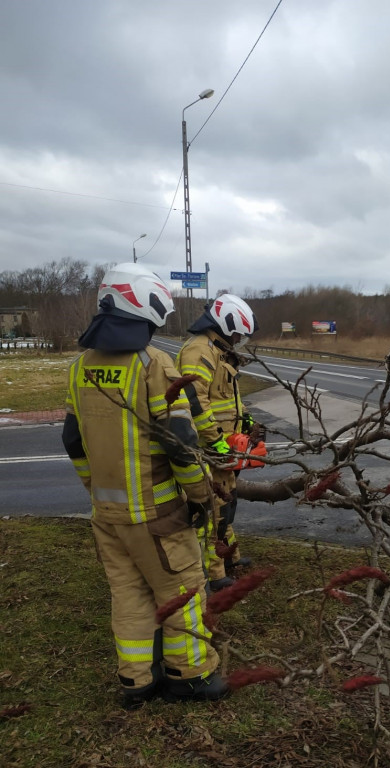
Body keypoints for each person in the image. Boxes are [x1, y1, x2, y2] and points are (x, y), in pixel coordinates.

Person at [61, 262, 229, 708]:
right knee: (184, 590)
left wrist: (94, 491)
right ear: (145, 305)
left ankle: (137, 680)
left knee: (129, 593)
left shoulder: (79, 369)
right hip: (158, 514)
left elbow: (72, 441)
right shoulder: (155, 365)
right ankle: (190, 675)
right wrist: (200, 498)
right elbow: (180, 443)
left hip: (107, 516)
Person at [176, 294, 259, 592]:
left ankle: (230, 557)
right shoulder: (200, 351)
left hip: (226, 445)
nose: (238, 339)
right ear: (226, 325)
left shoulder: (218, 352)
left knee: (227, 505)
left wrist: (247, 420)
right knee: (215, 509)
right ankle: (215, 573)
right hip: (209, 448)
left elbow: (228, 399)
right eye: (237, 333)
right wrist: (215, 442)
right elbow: (194, 401)